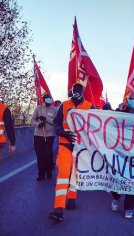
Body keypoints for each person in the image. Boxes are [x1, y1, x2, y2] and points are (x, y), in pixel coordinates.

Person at [48, 83, 94, 222]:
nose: (77, 93)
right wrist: (62, 132)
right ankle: (58, 208)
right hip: (65, 143)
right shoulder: (64, 104)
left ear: (83, 92)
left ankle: (72, 197)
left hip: (81, 147)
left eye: (79, 90)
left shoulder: (90, 106)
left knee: (75, 173)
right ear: (71, 91)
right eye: (75, 90)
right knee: (63, 175)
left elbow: (97, 124)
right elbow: (56, 122)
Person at [111, 91, 134, 219]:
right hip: (119, 151)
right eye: (130, 98)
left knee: (132, 180)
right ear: (127, 100)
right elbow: (111, 124)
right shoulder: (120, 112)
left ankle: (129, 207)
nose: (132, 100)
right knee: (116, 177)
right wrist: (118, 110)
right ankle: (115, 197)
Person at [31, 94, 57, 181]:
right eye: (46, 99)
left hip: (49, 136)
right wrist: (38, 124)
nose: (48, 100)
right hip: (38, 136)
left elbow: (56, 122)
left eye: (49, 99)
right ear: (44, 100)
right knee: (40, 155)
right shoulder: (38, 108)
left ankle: (49, 171)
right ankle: (41, 174)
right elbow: (32, 120)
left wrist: (46, 119)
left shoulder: (55, 110)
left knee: (48, 154)